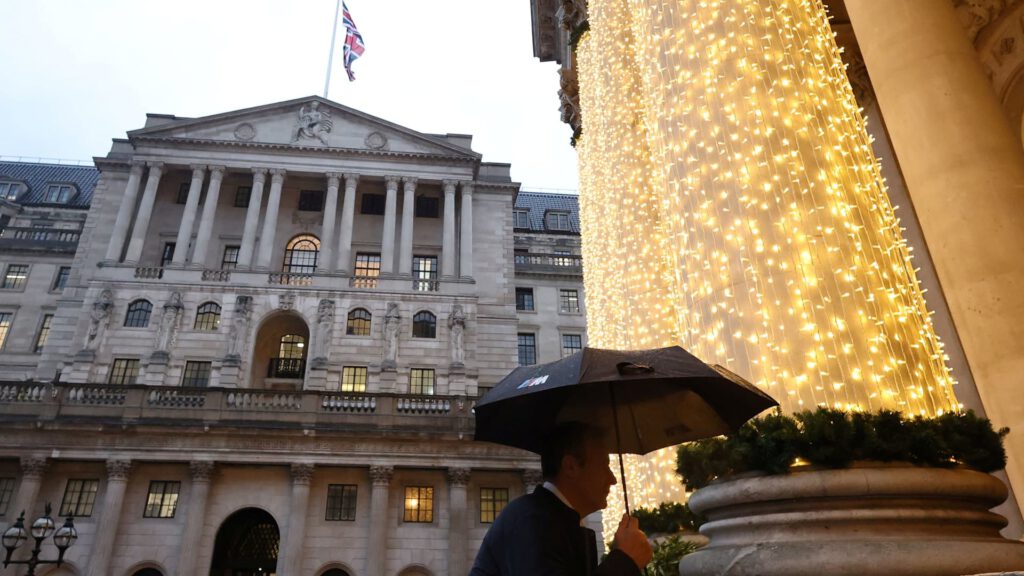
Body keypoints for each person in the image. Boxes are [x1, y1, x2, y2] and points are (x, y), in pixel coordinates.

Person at [469, 422, 653, 576]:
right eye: (604, 466)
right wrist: (624, 561)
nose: (612, 479)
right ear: (571, 467)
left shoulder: (553, 521)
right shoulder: (532, 522)